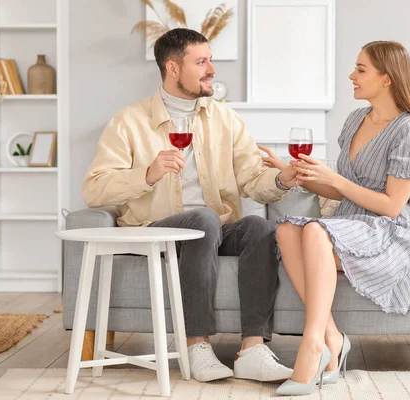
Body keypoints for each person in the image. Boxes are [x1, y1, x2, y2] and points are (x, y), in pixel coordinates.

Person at [82, 28, 298, 383]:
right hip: (155, 230)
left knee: (259, 227)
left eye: (210, 59)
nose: (211, 68)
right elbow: (94, 190)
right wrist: (147, 174)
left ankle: (253, 349)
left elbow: (251, 178)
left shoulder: (225, 119)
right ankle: (195, 345)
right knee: (204, 218)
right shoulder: (129, 121)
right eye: (201, 62)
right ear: (172, 67)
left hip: (212, 228)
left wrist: (281, 180)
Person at [264, 41, 410, 396]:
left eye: (361, 69)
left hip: (387, 232)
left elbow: (390, 205)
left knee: (312, 231)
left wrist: (336, 179)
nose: (351, 76)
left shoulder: (408, 131)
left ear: (387, 78)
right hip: (349, 223)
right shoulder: (356, 119)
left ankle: (313, 346)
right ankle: (333, 338)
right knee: (285, 229)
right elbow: (341, 192)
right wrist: (295, 173)